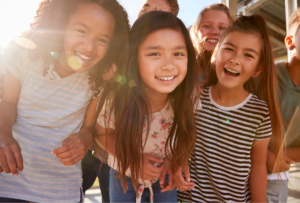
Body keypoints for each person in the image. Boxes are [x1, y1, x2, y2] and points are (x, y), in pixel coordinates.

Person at [0, 0, 130, 202]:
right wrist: (4, 135)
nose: (89, 47)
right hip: (10, 184)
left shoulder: (99, 77)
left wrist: (84, 141)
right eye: (81, 31)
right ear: (61, 24)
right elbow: (8, 103)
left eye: (102, 40)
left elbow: (89, 129)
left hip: (63, 193)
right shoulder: (24, 55)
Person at [176, 15, 283, 202]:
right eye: (229, 49)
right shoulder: (194, 100)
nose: (234, 60)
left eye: (248, 55)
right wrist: (178, 164)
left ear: (258, 69)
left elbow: (258, 166)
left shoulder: (259, 112)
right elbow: (179, 146)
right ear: (216, 53)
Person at [94, 11, 199, 203]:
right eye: (154, 53)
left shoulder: (188, 97)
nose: (168, 65)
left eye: (178, 53)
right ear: (133, 57)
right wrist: (133, 161)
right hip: (122, 175)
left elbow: (187, 133)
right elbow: (101, 133)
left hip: (164, 177)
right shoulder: (117, 97)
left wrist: (175, 160)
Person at [266, 8, 300, 203]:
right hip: (255, 167)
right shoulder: (265, 78)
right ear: (290, 41)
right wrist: (264, 155)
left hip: (290, 166)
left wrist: (283, 155)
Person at [190, 4, 233, 85]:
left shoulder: (236, 66)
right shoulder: (185, 63)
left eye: (222, 28)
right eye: (207, 26)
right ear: (196, 30)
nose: (214, 32)